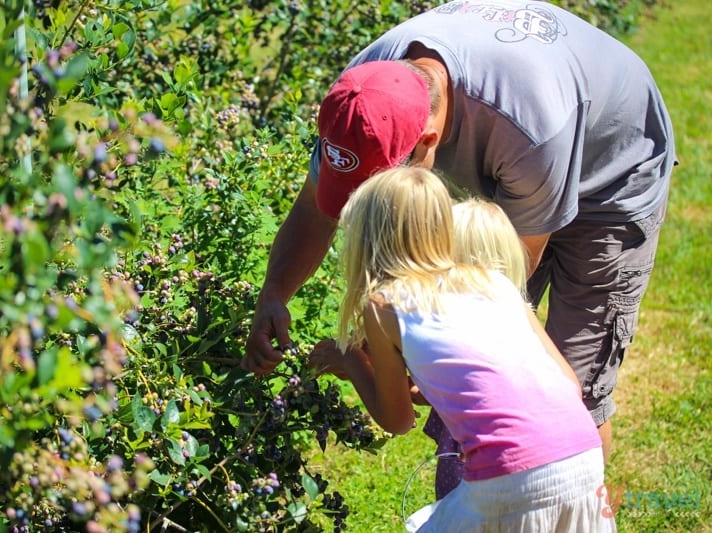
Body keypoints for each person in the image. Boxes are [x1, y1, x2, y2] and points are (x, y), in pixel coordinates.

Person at [240, 0, 677, 464]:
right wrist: (274, 294)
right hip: (520, 152)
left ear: (426, 141)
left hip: (610, 174)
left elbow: (504, 276)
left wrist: (413, 339)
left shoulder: (528, 126)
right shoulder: (362, 98)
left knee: (571, 387)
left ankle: (583, 511)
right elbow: (314, 209)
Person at [308, 167, 615, 531]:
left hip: (510, 476)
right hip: (583, 457)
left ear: (367, 240)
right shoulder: (493, 281)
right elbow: (569, 382)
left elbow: (398, 420)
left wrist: (349, 359)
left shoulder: (384, 305)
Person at [421, 197, 529, 499]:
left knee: (462, 513)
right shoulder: (513, 318)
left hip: (475, 460)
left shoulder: (461, 329)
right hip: (521, 459)